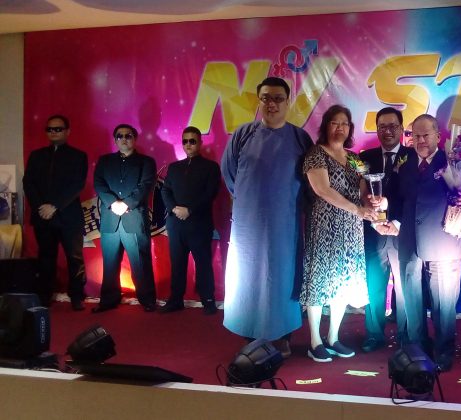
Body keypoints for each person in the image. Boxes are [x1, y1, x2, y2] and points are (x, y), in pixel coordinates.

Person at [221, 77, 313, 354]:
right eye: (266, 98)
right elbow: (229, 172)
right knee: (247, 275)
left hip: (285, 222)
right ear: (259, 101)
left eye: (277, 98)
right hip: (248, 223)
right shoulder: (243, 134)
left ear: (287, 102)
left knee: (283, 275)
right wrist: (250, 199)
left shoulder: (300, 138)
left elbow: (311, 179)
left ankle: (283, 334)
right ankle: (250, 334)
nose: (271, 104)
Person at [392, 114, 461, 372]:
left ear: (438, 136)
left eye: (425, 135)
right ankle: (417, 348)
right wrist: (388, 218)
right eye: (415, 136)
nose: (420, 140)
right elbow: (396, 197)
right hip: (408, 239)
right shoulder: (404, 162)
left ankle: (444, 350)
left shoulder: (453, 161)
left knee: (443, 303)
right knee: (411, 300)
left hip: (443, 240)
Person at [300, 105, 375, 362]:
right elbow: (322, 189)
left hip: (352, 229)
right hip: (324, 226)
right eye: (335, 122)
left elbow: (364, 190)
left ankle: (333, 337)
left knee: (342, 282)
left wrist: (372, 205)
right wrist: (357, 209)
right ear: (326, 126)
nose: (340, 127)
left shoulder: (355, 159)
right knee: (319, 281)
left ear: (350, 128)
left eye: (345, 123)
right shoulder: (315, 154)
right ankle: (315, 341)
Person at [22, 114, 88, 310]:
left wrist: (55, 206)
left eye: (58, 129)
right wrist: (40, 206)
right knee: (46, 258)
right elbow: (28, 183)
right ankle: (44, 296)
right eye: (50, 129)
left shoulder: (78, 156)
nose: (53, 132)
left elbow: (77, 185)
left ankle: (77, 296)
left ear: (67, 131)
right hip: (43, 216)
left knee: (74, 258)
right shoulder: (37, 155)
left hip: (68, 217)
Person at [359, 107, 410, 352]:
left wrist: (396, 221)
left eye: (392, 126)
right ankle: (374, 335)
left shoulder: (412, 157)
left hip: (402, 232)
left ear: (401, 129)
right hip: (374, 232)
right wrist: (371, 216)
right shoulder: (364, 158)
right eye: (382, 127)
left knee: (405, 288)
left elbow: (413, 196)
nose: (387, 131)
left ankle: (406, 336)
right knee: (374, 285)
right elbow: (358, 192)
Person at [92, 123, 157, 313]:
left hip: (134, 218)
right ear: (115, 140)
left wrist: (126, 204)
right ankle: (108, 300)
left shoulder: (146, 162)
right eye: (119, 136)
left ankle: (147, 300)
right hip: (110, 219)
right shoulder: (105, 161)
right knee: (110, 263)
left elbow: (145, 185)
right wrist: (113, 203)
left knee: (140, 263)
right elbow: (99, 183)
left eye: (128, 136)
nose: (124, 139)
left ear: (134, 139)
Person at [159, 126, 221, 315]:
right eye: (185, 141)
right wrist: (174, 208)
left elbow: (210, 193)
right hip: (176, 224)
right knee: (177, 263)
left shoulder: (211, 167)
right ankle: (175, 300)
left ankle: (208, 300)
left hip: (199, 224)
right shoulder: (174, 167)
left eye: (192, 141)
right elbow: (165, 190)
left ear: (200, 143)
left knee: (203, 263)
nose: (188, 145)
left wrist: (190, 210)